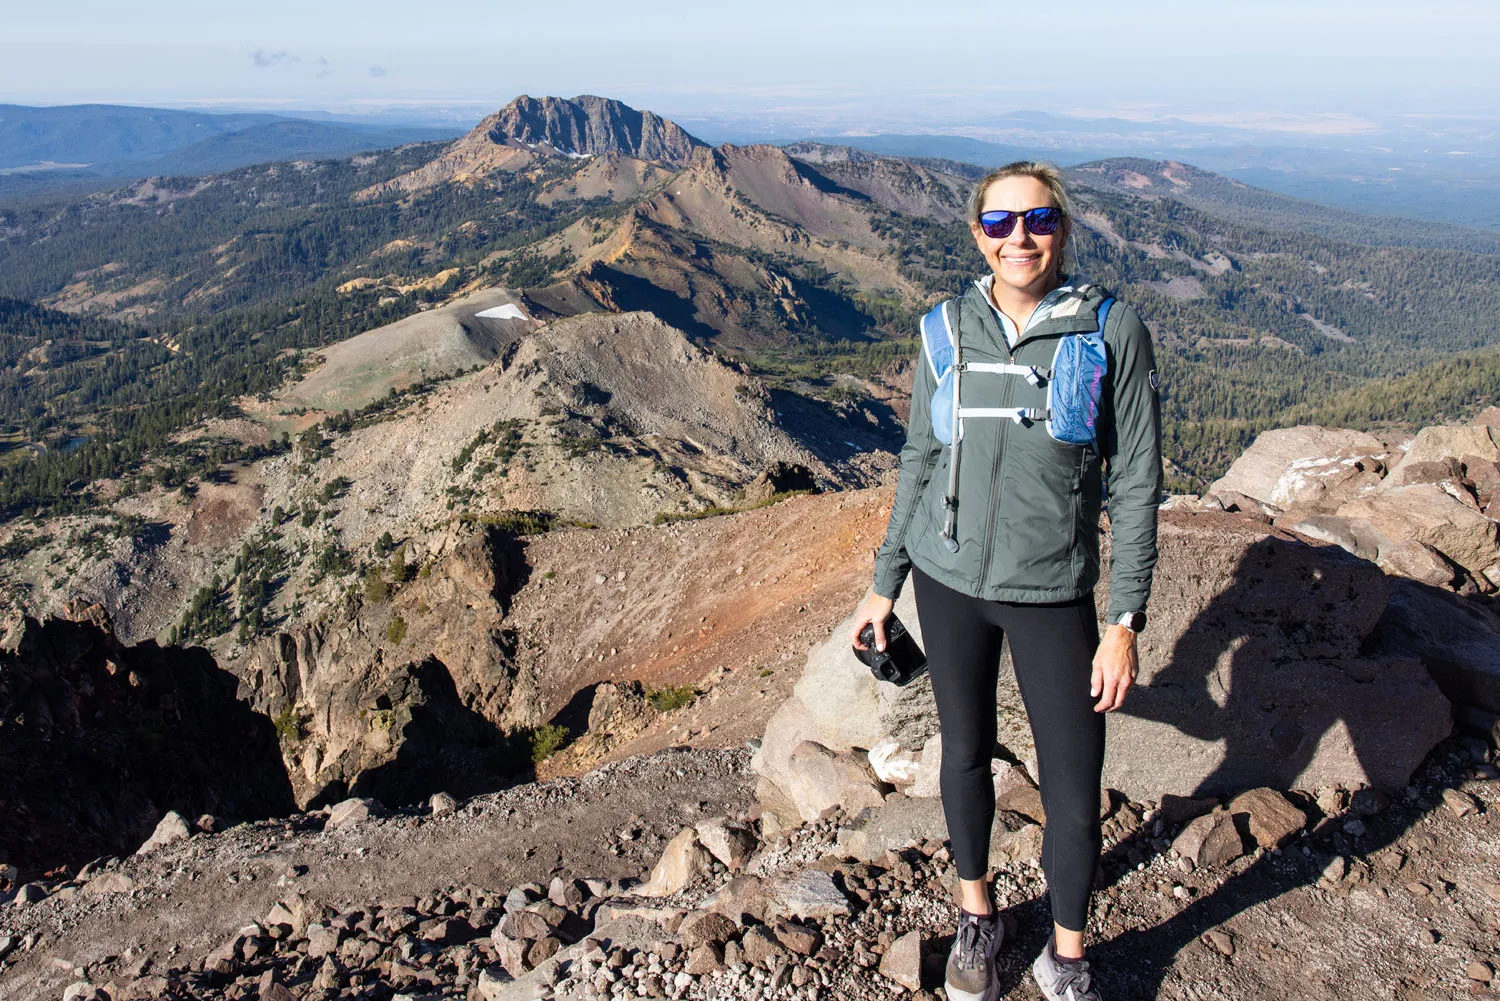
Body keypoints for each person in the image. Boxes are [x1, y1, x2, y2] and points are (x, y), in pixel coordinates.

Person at [848, 161, 1162, 1001]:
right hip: (946, 581)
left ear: (1062, 227)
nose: (1018, 238)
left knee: (1072, 782)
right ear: (977, 234)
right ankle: (977, 914)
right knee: (963, 752)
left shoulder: (1107, 329)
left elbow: (1135, 477)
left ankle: (1067, 954)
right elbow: (919, 458)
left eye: (1037, 220)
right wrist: (885, 585)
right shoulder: (944, 329)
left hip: (1053, 590)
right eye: (999, 223)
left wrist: (1125, 619)